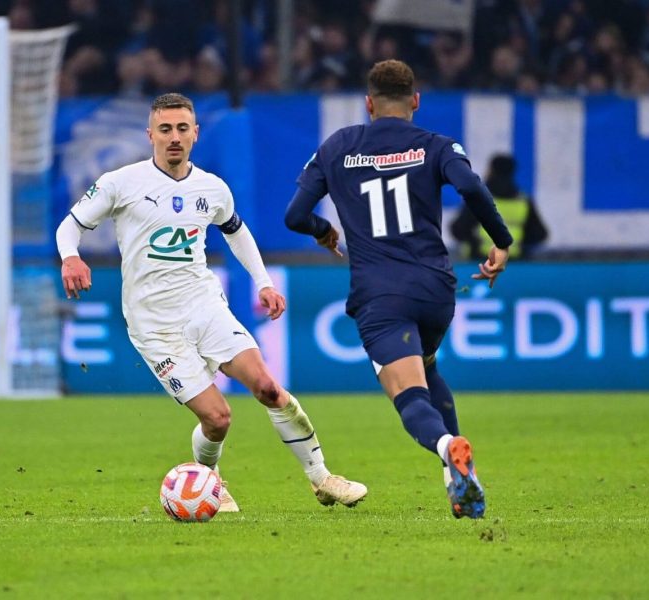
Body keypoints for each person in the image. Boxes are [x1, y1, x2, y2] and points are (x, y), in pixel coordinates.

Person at [57, 92, 367, 512]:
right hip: (154, 325)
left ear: (195, 134)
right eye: (165, 129)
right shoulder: (120, 183)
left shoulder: (212, 187)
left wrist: (263, 282)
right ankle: (211, 481)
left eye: (182, 128)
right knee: (218, 419)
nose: (174, 137)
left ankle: (322, 478)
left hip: (204, 306)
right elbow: (69, 227)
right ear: (150, 134)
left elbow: (236, 231)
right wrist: (71, 257)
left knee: (269, 388)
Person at [284, 60, 514, 519]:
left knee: (409, 395)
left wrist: (320, 228)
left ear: (368, 103)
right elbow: (469, 183)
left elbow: (294, 216)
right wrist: (502, 241)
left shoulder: (338, 147)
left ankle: (449, 447)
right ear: (415, 100)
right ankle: (457, 480)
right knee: (426, 369)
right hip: (435, 290)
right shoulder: (435, 145)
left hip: (380, 293)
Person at [451, 153, 548, 260]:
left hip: (480, 261)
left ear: (491, 171)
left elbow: (458, 229)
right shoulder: (523, 201)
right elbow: (540, 233)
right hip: (514, 263)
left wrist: (474, 244)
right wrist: (520, 244)